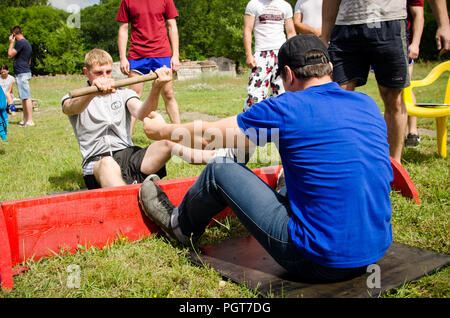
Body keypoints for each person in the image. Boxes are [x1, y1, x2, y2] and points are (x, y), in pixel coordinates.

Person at [139, 35, 393, 283]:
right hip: (374, 251)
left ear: (288, 74)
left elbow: (209, 137)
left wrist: (162, 132)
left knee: (220, 170)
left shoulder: (286, 106)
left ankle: (179, 226)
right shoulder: (366, 103)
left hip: (316, 260)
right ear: (328, 69)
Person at [62, 49, 214, 190]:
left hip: (128, 156)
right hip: (98, 162)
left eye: (108, 72)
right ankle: (134, 197)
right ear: (86, 72)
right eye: (98, 73)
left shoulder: (123, 94)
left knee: (168, 143)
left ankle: (220, 158)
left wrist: (156, 87)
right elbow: (70, 108)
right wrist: (93, 93)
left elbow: (142, 112)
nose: (105, 77)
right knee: (108, 163)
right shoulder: (76, 98)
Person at [321, 0, 411, 165]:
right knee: (338, 99)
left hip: (388, 19)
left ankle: (393, 166)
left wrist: (443, 23)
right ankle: (344, 161)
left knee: (394, 100)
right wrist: (325, 35)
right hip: (345, 25)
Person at [117, 0, 181, 135]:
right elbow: (123, 28)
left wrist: (175, 55)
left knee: (168, 94)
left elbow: (172, 26)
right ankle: (125, 138)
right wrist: (123, 57)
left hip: (162, 53)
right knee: (133, 97)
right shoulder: (127, 1)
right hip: (137, 54)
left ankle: (180, 134)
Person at [243, 0, 296, 111]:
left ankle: (279, 124)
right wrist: (248, 55)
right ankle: (252, 124)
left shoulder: (285, 5)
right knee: (254, 93)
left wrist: (293, 55)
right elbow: (247, 30)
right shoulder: (254, 4)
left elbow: (291, 32)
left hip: (282, 53)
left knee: (282, 92)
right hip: (261, 54)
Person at [405, 0, 425, 148]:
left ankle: (413, 132)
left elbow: (418, 14)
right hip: (376, 39)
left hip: (403, 43)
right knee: (387, 91)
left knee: (405, 87)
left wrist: (415, 43)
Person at [7, 26, 33, 127]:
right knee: (23, 97)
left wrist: (11, 43)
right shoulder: (26, 43)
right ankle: (25, 119)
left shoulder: (20, 43)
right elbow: (29, 60)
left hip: (22, 73)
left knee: (26, 97)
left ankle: (30, 120)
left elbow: (10, 55)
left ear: (13, 34)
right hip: (23, 71)